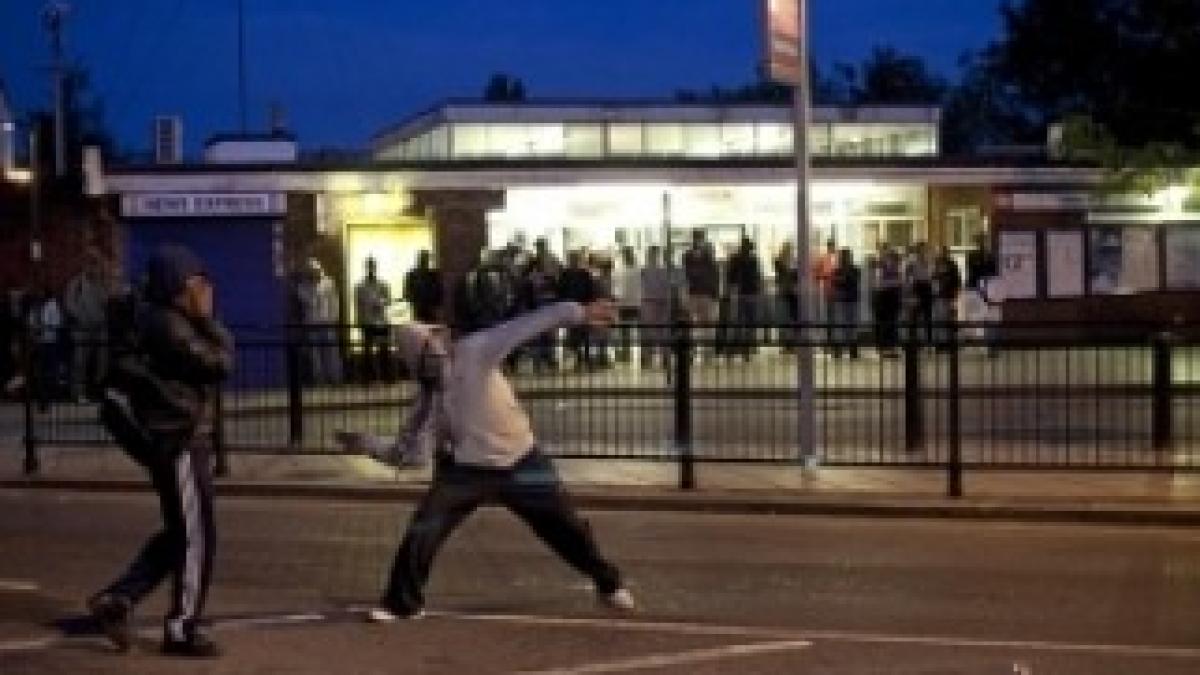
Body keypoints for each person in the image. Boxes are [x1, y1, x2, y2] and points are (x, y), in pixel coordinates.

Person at [354, 299, 634, 622]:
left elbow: (528, 324)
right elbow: (411, 454)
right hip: (466, 472)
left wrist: (579, 313)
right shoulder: (429, 399)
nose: (437, 356)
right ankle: (402, 603)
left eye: (435, 346)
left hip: (522, 461)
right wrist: (369, 445)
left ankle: (608, 583)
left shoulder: (475, 350)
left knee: (565, 527)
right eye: (425, 357)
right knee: (425, 527)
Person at [88, 244, 234, 658]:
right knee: (197, 539)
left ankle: (118, 600)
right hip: (179, 441)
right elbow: (219, 364)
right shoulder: (171, 326)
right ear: (178, 287)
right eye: (196, 283)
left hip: (174, 440)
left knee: (181, 535)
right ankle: (182, 627)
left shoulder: (165, 320)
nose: (205, 289)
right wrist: (211, 321)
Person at [64, 249, 113, 400]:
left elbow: (108, 302)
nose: (94, 267)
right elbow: (69, 304)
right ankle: (78, 393)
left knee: (102, 363)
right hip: (82, 329)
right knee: (80, 362)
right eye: (91, 263)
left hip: (100, 328)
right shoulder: (76, 284)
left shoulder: (103, 283)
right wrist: (81, 317)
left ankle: (99, 392)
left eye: (96, 263)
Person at [296, 258, 343, 385]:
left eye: (315, 271)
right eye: (310, 272)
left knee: (331, 353)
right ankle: (319, 379)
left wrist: (334, 318)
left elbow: (335, 302)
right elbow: (308, 302)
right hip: (312, 324)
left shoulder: (328, 283)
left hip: (327, 323)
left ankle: (335, 378)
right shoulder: (302, 287)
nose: (313, 274)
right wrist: (313, 288)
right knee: (315, 354)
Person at [681, 230, 720, 360]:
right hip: (696, 293)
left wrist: (715, 293)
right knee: (695, 323)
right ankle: (697, 350)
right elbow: (685, 275)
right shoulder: (688, 256)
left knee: (706, 323)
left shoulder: (708, 256)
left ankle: (707, 350)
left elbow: (713, 274)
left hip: (705, 293)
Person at [558, 250, 599, 370]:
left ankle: (586, 358)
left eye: (575, 259)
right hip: (570, 309)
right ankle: (579, 358)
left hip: (583, 307)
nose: (573, 262)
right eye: (572, 259)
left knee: (585, 335)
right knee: (573, 336)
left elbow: (591, 290)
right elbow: (561, 290)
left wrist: (590, 304)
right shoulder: (565, 274)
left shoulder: (584, 274)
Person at [725, 237, 763, 361]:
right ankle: (745, 350)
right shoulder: (752, 260)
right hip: (750, 292)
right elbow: (757, 277)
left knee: (737, 322)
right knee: (749, 322)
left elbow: (730, 277)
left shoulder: (736, 259)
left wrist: (730, 290)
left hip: (740, 292)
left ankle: (732, 350)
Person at [355, 257, 392, 383]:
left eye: (372, 266)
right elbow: (358, 305)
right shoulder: (360, 286)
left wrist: (380, 303)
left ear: (375, 268)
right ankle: (368, 378)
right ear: (366, 268)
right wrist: (359, 321)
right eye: (369, 266)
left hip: (381, 321)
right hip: (367, 321)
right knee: (367, 351)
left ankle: (386, 377)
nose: (371, 269)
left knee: (383, 350)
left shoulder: (382, 285)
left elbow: (388, 300)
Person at [612, 246, 642, 365]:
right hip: (627, 303)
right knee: (625, 330)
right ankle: (626, 353)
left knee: (628, 330)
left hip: (632, 303)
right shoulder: (624, 270)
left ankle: (628, 353)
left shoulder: (635, 270)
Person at [829, 248, 861, 359]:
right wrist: (842, 280)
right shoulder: (838, 270)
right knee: (841, 325)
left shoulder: (855, 270)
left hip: (850, 299)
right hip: (842, 299)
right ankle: (840, 350)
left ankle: (852, 350)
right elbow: (836, 282)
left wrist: (842, 280)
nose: (844, 259)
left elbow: (848, 281)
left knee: (851, 325)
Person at [871, 246, 902, 358]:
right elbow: (880, 283)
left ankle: (891, 347)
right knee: (883, 323)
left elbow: (899, 281)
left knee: (892, 322)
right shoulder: (880, 266)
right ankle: (883, 347)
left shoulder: (895, 268)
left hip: (892, 296)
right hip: (883, 296)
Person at [903, 243, 934, 346]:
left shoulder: (930, 261)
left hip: (927, 288)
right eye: (921, 249)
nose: (923, 251)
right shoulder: (912, 262)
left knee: (928, 316)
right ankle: (913, 341)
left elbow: (932, 276)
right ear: (918, 250)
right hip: (917, 287)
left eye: (925, 249)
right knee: (914, 316)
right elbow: (908, 276)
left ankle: (929, 341)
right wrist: (910, 292)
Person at [931, 248, 963, 352]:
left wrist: (956, 292)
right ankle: (940, 343)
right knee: (939, 319)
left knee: (948, 319)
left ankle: (948, 342)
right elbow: (932, 279)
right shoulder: (935, 265)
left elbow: (957, 280)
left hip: (948, 295)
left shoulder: (952, 265)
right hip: (938, 296)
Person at [403, 250, 444, 324]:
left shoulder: (433, 275)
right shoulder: (412, 275)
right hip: (418, 309)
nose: (424, 261)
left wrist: (436, 306)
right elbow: (407, 293)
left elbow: (439, 292)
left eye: (425, 259)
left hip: (431, 310)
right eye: (422, 258)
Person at [813, 239, 838, 349]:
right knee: (826, 315)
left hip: (836, 291)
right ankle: (827, 338)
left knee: (835, 315)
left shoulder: (838, 259)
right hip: (826, 290)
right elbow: (816, 273)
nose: (831, 248)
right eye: (830, 246)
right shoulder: (823, 258)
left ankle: (834, 339)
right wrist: (824, 276)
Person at [773, 242, 798, 353]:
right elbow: (782, 275)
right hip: (784, 293)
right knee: (784, 318)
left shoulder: (794, 262)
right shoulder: (779, 262)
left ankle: (791, 344)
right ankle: (786, 344)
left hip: (792, 293)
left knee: (792, 319)